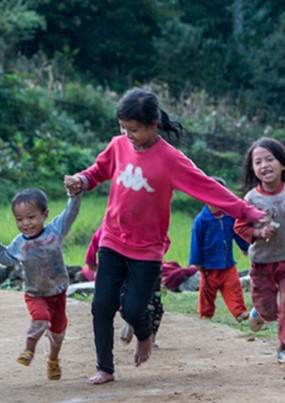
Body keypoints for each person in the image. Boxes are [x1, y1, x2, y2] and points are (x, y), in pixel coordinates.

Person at [64, 88, 267, 385]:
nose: (127, 134)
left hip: (147, 250)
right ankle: (105, 367)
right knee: (102, 304)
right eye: (123, 128)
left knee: (134, 308)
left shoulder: (171, 160)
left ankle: (144, 334)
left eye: (133, 129)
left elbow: (210, 188)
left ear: (152, 125)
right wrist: (80, 180)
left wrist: (250, 213)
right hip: (112, 240)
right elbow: (98, 171)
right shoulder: (118, 146)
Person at [234, 137, 285, 365]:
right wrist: (259, 233)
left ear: (283, 164)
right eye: (258, 162)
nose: (264, 165)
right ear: (253, 169)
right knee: (269, 311)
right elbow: (240, 227)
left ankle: (284, 347)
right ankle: (259, 312)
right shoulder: (251, 198)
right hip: (261, 264)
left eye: (270, 159)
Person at [0, 188, 81, 381]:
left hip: (58, 292)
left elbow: (70, 214)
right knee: (41, 318)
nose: (26, 224)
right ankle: (28, 350)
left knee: (57, 332)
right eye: (19, 219)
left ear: (45, 214)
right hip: (35, 294)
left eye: (31, 217)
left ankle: (53, 360)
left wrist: (75, 194)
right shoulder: (19, 243)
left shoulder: (54, 232)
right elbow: (6, 259)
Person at [84, 225, 164, 348]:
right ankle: (135, 324)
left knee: (151, 304)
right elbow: (96, 240)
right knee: (137, 302)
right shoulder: (110, 226)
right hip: (131, 268)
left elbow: (164, 240)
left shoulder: (150, 223)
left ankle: (149, 337)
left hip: (144, 268)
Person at [189, 176, 251, 322]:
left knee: (234, 287)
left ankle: (239, 312)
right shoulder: (201, 220)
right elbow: (195, 241)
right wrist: (196, 261)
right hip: (209, 265)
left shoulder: (229, 217)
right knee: (207, 291)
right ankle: (205, 314)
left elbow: (237, 233)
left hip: (227, 262)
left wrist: (245, 246)